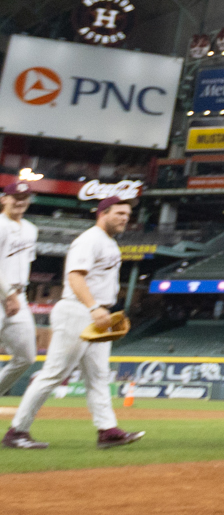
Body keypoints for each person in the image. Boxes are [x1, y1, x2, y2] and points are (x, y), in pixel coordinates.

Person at [4, 197, 144, 450]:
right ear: (103, 213)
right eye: (120, 213)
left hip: (97, 313)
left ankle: (108, 430)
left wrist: (103, 310)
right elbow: (75, 277)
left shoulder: (109, 242)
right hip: (79, 311)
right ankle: (17, 431)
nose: (125, 218)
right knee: (54, 374)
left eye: (128, 214)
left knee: (99, 376)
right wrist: (94, 307)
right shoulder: (89, 239)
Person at [0, 183, 40, 402]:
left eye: (25, 197)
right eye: (16, 196)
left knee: (26, 356)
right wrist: (9, 294)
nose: (20, 201)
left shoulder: (31, 229)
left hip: (18, 296)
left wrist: (16, 295)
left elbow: (24, 265)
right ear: (4, 198)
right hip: (6, 295)